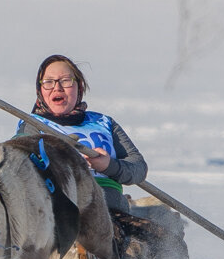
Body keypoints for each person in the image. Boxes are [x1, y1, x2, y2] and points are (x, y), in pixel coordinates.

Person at [15, 54, 146, 212]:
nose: (57, 88)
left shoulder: (104, 122)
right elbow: (19, 166)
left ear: (80, 87)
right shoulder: (33, 125)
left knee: (159, 233)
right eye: (48, 82)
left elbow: (139, 168)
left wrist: (108, 166)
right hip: (63, 213)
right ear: (40, 90)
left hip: (112, 212)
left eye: (66, 81)